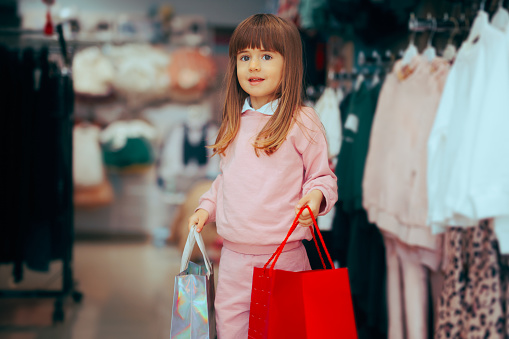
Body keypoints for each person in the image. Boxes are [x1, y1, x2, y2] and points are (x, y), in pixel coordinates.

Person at [187, 13, 338, 339]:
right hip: (233, 260)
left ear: (290, 64)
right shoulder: (233, 120)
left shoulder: (303, 120)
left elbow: (322, 177)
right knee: (231, 330)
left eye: (266, 56)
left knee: (284, 331)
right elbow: (225, 180)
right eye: (245, 57)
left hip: (284, 257)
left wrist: (315, 197)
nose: (254, 66)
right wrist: (206, 207)